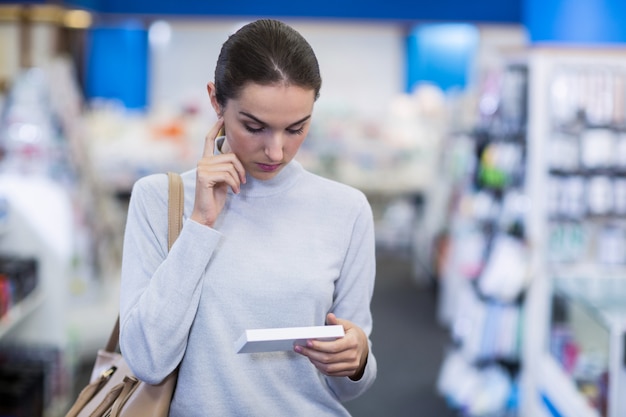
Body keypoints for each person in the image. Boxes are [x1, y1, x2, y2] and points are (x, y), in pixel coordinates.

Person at [119, 19, 377, 416]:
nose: (276, 151)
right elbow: (147, 361)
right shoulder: (160, 200)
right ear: (216, 102)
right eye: (254, 127)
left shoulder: (346, 210)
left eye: (296, 128)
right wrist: (200, 225)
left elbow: (346, 388)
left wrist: (357, 358)